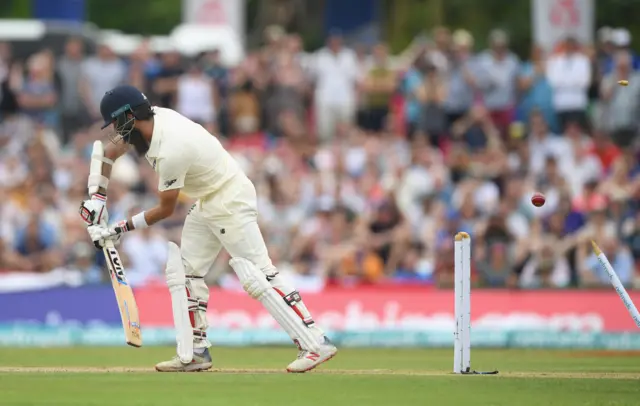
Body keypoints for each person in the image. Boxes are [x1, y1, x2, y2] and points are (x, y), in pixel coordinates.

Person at [78, 85, 337, 373]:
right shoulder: (152, 121)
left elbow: (166, 209)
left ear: (128, 116)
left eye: (115, 123)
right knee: (185, 272)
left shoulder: (171, 148)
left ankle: (315, 342)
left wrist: (118, 228)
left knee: (258, 275)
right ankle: (196, 352)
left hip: (229, 200)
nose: (114, 130)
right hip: (209, 199)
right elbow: (105, 152)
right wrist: (96, 199)